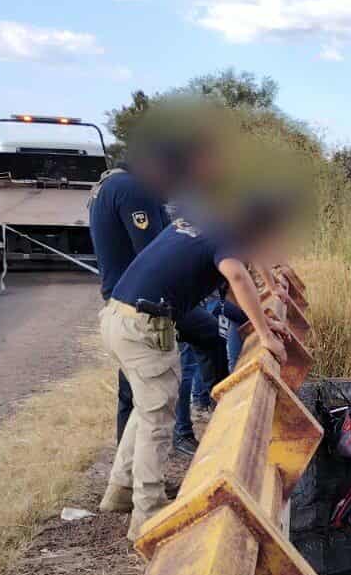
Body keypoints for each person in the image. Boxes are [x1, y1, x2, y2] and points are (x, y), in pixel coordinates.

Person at [98, 200, 291, 542]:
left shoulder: (203, 218)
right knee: (158, 419)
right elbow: (236, 274)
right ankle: (148, 513)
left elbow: (230, 286)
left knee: (146, 409)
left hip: (118, 318)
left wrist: (255, 320)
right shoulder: (229, 236)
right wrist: (264, 335)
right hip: (145, 327)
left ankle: (119, 491)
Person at [89, 138, 227, 448]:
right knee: (187, 354)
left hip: (122, 296)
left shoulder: (111, 184)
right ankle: (216, 413)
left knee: (135, 384)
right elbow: (154, 251)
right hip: (145, 301)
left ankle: (129, 458)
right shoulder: (135, 190)